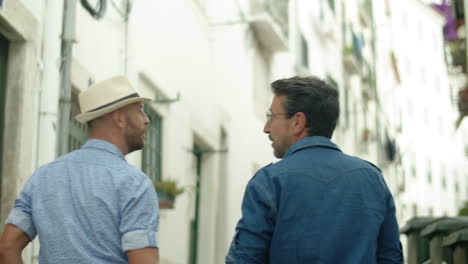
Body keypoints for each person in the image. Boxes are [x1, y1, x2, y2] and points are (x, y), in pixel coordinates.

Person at [226, 76, 403, 263]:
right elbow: (391, 257)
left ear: (297, 122)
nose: (266, 128)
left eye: (271, 116)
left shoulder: (269, 182)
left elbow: (245, 259)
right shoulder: (373, 179)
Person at [0, 76, 160, 264]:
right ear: (119, 118)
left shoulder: (42, 177)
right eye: (139, 110)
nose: (146, 120)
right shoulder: (134, 184)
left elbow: (7, 248)